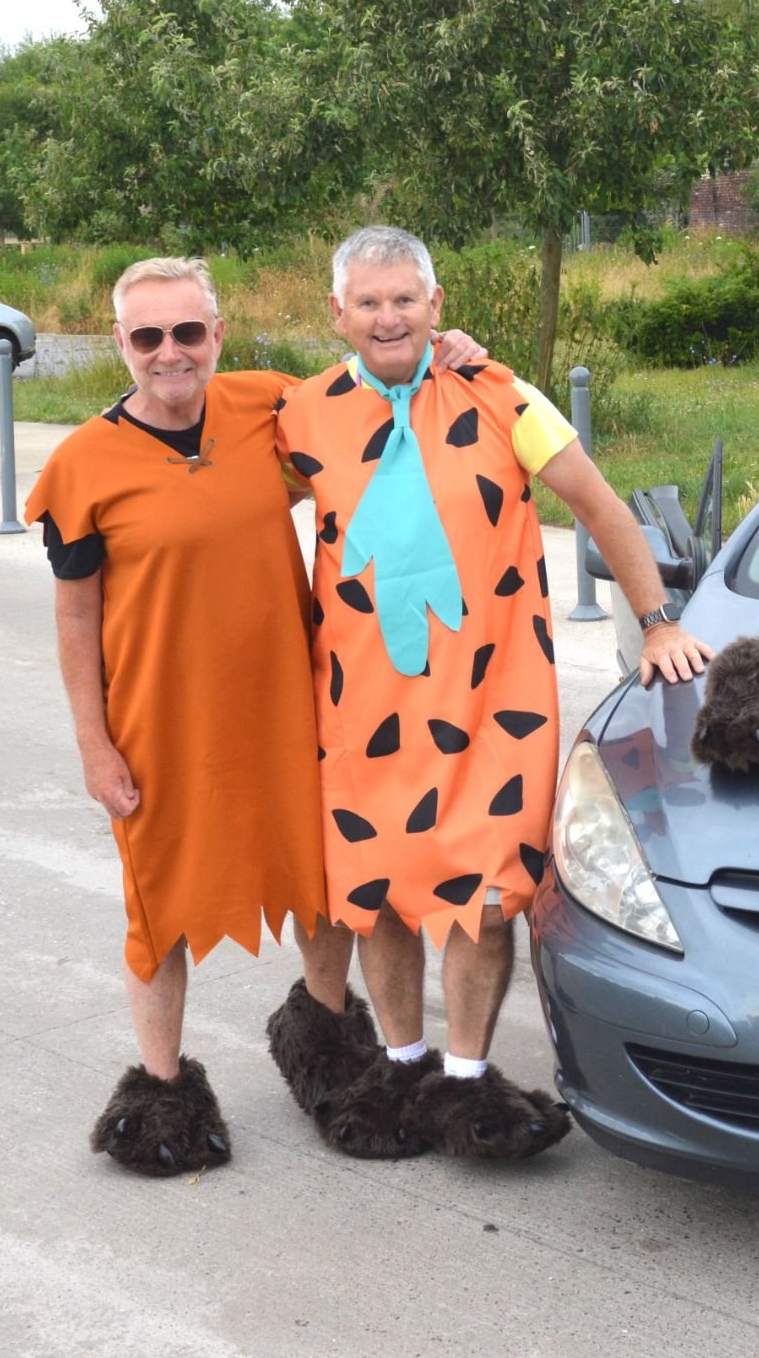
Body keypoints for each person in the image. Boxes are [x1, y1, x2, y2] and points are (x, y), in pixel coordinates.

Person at [26, 257, 484, 1177]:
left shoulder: (267, 407)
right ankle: (161, 1090)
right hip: (162, 723)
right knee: (161, 908)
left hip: (295, 705)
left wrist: (448, 354)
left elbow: (381, 396)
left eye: (187, 332)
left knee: (321, 881)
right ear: (121, 342)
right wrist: (93, 742)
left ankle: (321, 1040)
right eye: (148, 336)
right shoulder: (81, 466)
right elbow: (76, 616)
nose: (170, 353)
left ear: (218, 333)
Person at [270, 225, 711, 1162]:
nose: (388, 317)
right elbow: (229, 514)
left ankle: (465, 1083)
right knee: (378, 891)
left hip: (490, 701)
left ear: (435, 304)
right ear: (337, 314)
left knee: (486, 896)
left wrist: (659, 618)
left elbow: (598, 501)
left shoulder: (502, 394)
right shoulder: (301, 415)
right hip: (359, 704)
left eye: (405, 299)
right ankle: (401, 1062)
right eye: (369, 302)